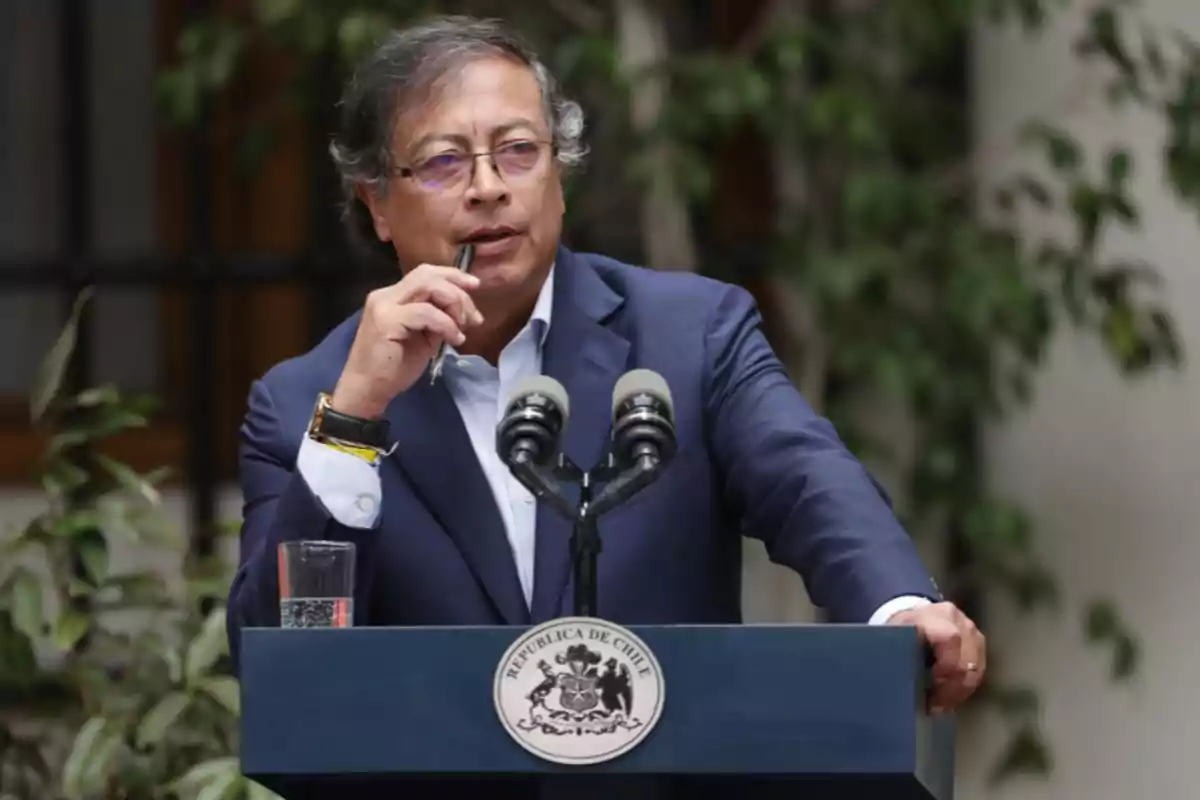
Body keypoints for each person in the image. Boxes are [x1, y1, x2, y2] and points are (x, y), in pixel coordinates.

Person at [228, 14, 984, 718]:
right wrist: (356, 417)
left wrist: (899, 609)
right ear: (377, 205)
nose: (488, 186)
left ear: (560, 172)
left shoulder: (690, 334)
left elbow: (809, 481)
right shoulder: (303, 405)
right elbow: (276, 663)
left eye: (518, 151)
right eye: (443, 162)